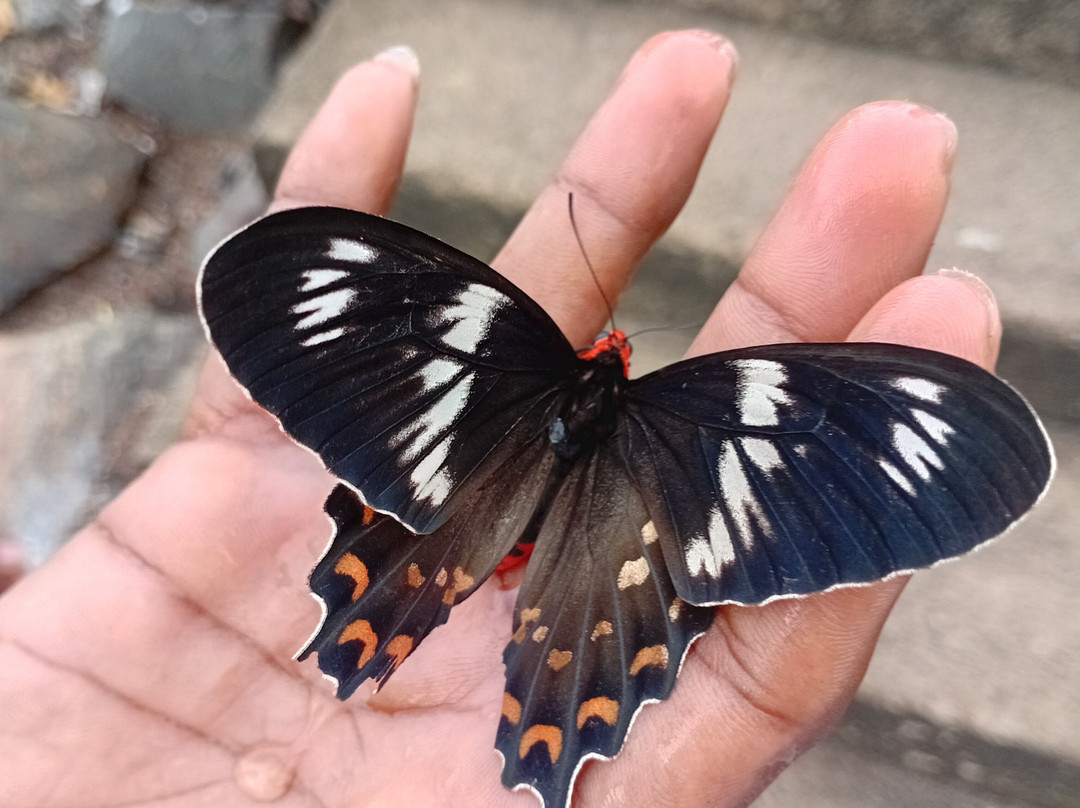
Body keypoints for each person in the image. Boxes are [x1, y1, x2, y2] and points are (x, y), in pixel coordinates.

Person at [0, 29, 998, 807]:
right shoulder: (724, 414)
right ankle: (532, 684)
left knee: (450, 513)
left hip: (476, 485)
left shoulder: (497, 347)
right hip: (606, 543)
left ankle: (422, 633)